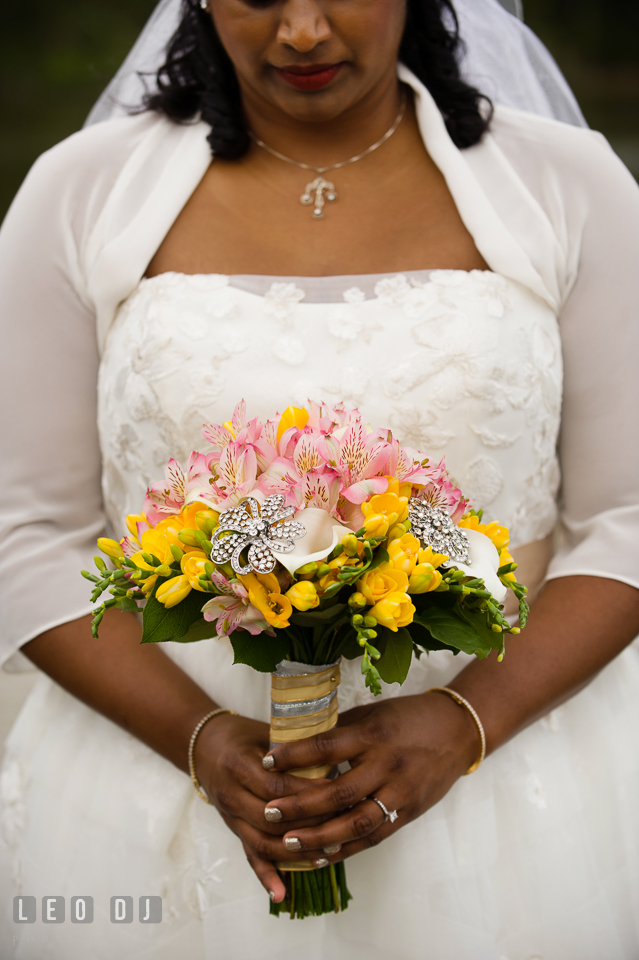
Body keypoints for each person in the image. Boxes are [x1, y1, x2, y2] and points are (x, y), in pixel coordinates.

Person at [1, 0, 638, 957]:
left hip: (509, 777)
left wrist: (466, 721)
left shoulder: (565, 182)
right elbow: (25, 527)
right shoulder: (83, 191)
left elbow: (626, 513)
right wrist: (199, 740)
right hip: (150, 781)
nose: (301, 31)